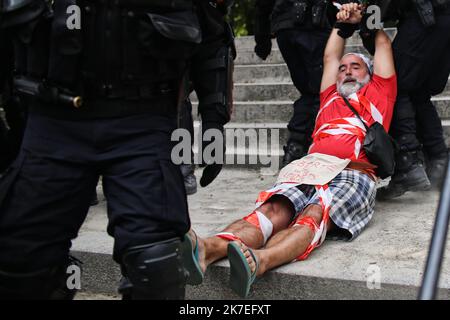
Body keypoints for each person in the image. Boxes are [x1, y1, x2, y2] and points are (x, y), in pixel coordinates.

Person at [0, 0, 229, 300]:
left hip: (142, 121)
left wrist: (214, 118)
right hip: (52, 122)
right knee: (19, 262)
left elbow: (211, 32)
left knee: (156, 266)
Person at [182, 3, 396, 298]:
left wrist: (364, 19)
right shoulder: (330, 95)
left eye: (355, 66)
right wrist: (343, 25)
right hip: (312, 166)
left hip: (353, 171)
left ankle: (261, 261)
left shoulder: (380, 93)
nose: (345, 71)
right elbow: (330, 55)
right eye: (342, 68)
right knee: (273, 209)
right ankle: (208, 249)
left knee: (314, 212)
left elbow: (382, 43)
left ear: (370, 75)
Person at [376, 0, 450, 199]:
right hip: (436, 18)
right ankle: (439, 162)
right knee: (418, 93)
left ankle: (408, 165)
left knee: (395, 84)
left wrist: (369, 22)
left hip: (425, 16)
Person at [254, 0, 340, 167]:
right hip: (310, 23)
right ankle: (299, 148)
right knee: (320, 89)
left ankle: (296, 148)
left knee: (312, 91)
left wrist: (262, 39)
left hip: (286, 26)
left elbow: (262, 5)